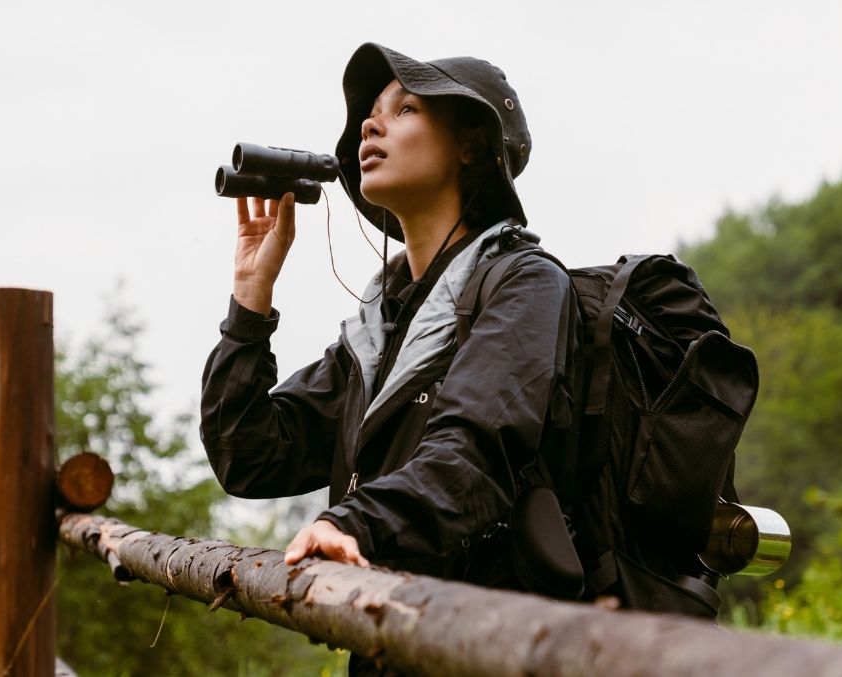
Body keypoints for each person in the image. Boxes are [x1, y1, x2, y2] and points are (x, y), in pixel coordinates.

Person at [201, 42, 580, 671]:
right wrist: (250, 300)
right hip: (390, 649)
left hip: (484, 648)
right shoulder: (381, 328)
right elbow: (250, 454)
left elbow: (473, 456)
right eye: (370, 114)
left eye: (404, 109)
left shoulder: (525, 284)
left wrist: (353, 525)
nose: (370, 126)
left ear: (469, 145)